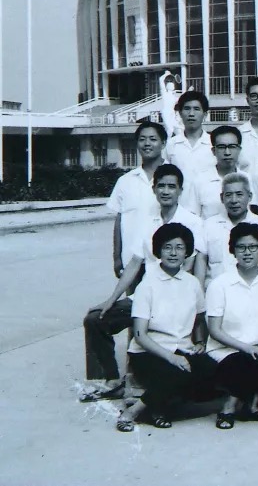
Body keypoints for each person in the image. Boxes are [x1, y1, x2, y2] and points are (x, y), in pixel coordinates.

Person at [83, 164, 206, 402]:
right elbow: (134, 264)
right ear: (154, 189)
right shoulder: (147, 222)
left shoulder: (192, 221)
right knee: (95, 319)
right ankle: (111, 380)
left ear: (180, 190)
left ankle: (142, 382)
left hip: (175, 299)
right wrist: (111, 299)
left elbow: (194, 263)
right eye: (161, 186)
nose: (166, 191)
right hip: (146, 295)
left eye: (172, 186)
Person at [115, 223, 214, 432]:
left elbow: (199, 317)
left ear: (187, 252)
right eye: (167, 247)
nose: (173, 253)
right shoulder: (147, 284)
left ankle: (158, 408)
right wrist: (172, 358)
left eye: (179, 248)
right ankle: (134, 412)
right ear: (158, 251)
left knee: (214, 373)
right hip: (149, 352)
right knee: (176, 374)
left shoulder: (192, 283)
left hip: (182, 349)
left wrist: (199, 341)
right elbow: (140, 335)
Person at [205, 223, 258, 428]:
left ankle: (254, 406)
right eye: (241, 247)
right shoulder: (219, 284)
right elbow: (214, 329)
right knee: (245, 360)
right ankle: (228, 409)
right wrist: (246, 347)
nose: (247, 252)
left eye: (253, 247)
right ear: (233, 250)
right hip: (225, 350)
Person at [105, 121, 166, 279]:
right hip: (132, 262)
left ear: (163, 143)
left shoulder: (173, 178)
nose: (147, 144)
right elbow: (119, 220)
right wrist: (117, 257)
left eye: (153, 139)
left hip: (165, 261)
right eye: (142, 139)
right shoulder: (125, 181)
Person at [202, 173, 258, 282]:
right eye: (228, 195)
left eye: (239, 194)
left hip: (251, 288)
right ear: (222, 198)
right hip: (216, 288)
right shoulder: (209, 225)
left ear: (250, 196)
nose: (234, 200)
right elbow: (201, 261)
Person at [182, 125, 248, 220]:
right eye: (221, 147)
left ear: (239, 149)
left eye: (232, 147)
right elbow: (193, 217)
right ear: (213, 151)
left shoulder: (247, 179)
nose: (227, 152)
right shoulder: (200, 181)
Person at [164, 90, 215, 181]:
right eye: (187, 109)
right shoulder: (170, 145)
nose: (191, 114)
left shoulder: (213, 144)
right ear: (180, 113)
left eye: (196, 109)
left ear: (205, 114)